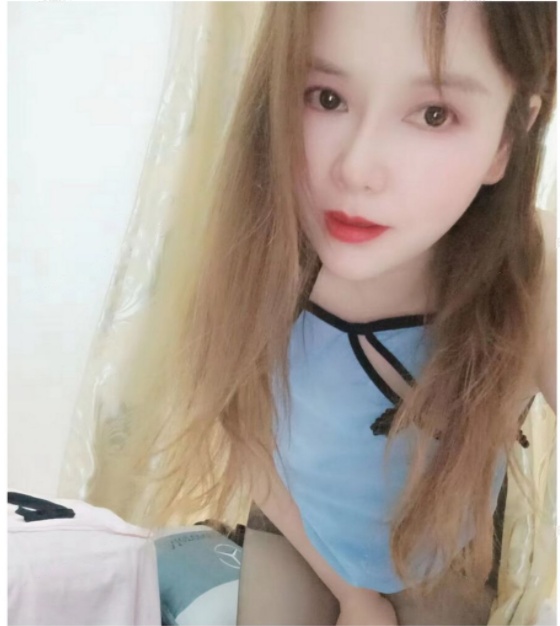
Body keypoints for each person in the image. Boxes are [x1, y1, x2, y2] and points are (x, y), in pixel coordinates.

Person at [141, 2, 557, 624]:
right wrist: (353, 597)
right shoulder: (264, 247)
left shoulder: (530, 270)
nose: (356, 169)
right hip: (296, 527)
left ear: (508, 137)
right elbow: (244, 427)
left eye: (434, 113)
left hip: (439, 554)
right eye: (326, 98)